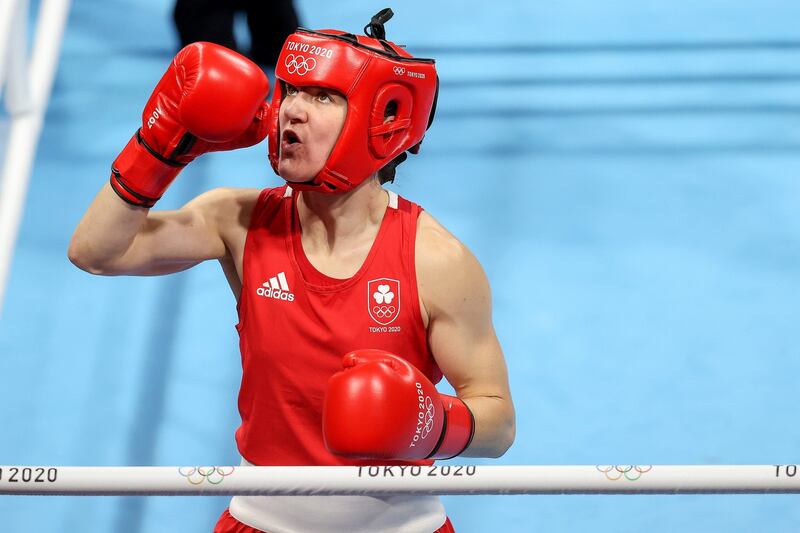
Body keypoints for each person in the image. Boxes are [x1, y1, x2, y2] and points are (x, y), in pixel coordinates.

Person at [68, 9, 515, 533]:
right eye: (289, 91)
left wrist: (433, 423)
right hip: (260, 519)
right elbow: (96, 252)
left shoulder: (435, 260)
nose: (291, 111)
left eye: (322, 96)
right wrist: (162, 145)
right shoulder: (237, 220)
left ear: (384, 116)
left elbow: (498, 421)